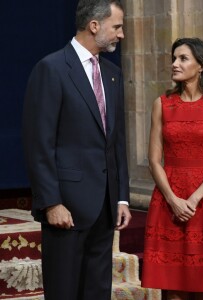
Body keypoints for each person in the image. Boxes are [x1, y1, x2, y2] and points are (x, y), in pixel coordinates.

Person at [22, 1, 131, 299]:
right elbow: (39, 144)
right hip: (66, 207)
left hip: (105, 207)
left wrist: (121, 197)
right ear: (94, 26)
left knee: (97, 292)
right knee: (65, 292)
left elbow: (116, 139)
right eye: (117, 27)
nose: (121, 35)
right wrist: (51, 202)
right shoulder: (52, 68)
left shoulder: (111, 73)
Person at [141, 38, 203, 300]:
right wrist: (173, 200)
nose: (175, 64)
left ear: (201, 66)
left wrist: (195, 199)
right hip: (168, 200)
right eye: (174, 58)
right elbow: (154, 160)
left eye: (183, 58)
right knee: (172, 286)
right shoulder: (162, 104)